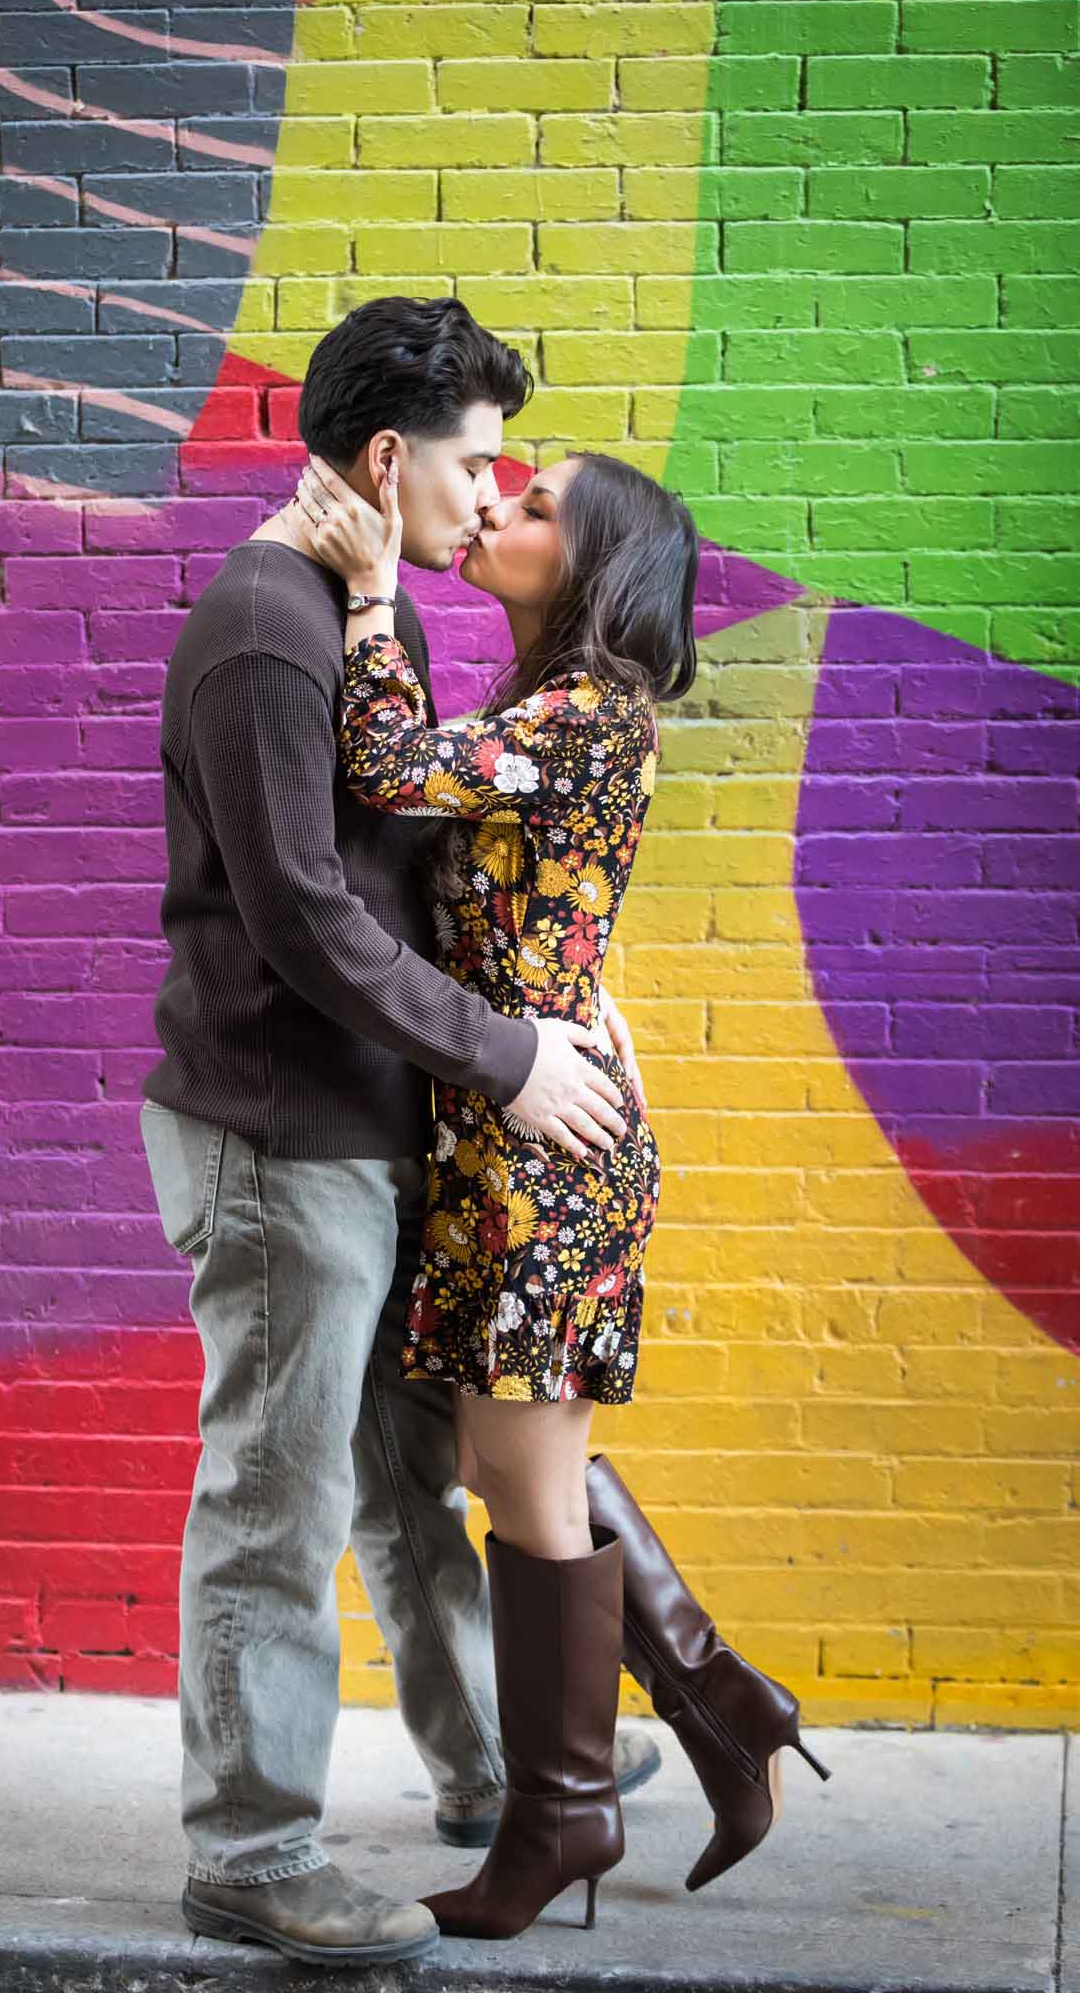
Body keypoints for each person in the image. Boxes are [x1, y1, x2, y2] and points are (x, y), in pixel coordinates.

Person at [138, 297, 660, 1970]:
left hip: (374, 1130)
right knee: (275, 1501)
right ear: (385, 459)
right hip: (280, 1135)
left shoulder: (367, 617)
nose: (490, 489)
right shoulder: (265, 624)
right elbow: (300, 911)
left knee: (404, 1487)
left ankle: (493, 1770)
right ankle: (253, 1848)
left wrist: (569, 992)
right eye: (478, 461)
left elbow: (426, 858)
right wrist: (511, 1058)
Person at [290, 439, 832, 1942]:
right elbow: (554, 912)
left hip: (539, 1157)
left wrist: (367, 593)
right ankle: (720, 1704)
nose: (500, 507)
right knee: (503, 1464)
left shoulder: (588, 711)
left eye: (535, 508)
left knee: (515, 1482)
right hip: (511, 1138)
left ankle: (560, 1817)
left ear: (587, 563)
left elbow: (387, 776)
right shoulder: (549, 711)